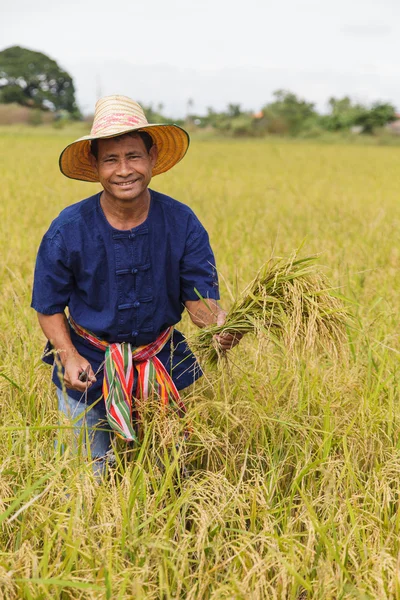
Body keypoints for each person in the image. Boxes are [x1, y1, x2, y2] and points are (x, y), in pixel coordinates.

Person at [31, 95, 240, 471]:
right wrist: (68, 354)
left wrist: (222, 328)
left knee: (167, 476)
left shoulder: (182, 222)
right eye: (111, 159)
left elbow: (199, 303)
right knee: (87, 479)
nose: (124, 170)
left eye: (133, 156)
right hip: (89, 368)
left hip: (160, 367)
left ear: (153, 159)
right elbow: (47, 304)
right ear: (96, 167)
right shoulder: (69, 229)